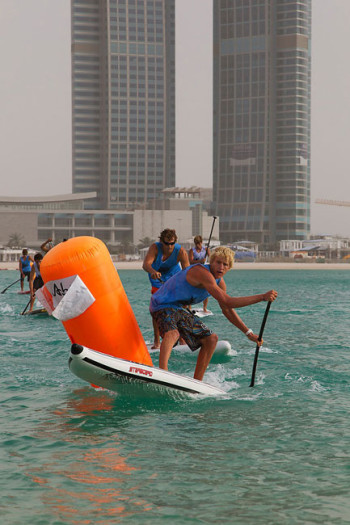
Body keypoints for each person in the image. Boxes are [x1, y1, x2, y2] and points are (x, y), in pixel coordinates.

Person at [150, 246, 278, 381]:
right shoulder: (201, 272)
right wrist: (262, 297)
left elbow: (227, 309)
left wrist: (248, 333)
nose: (221, 267)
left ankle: (197, 382)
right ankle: (162, 372)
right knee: (173, 333)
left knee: (211, 339)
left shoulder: (220, 283)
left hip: (179, 308)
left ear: (229, 268)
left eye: (225, 264)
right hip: (161, 304)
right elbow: (228, 301)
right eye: (218, 262)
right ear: (211, 262)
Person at [142, 228, 190, 349]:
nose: (169, 246)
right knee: (156, 306)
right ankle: (157, 341)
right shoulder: (154, 248)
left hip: (174, 276)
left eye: (172, 243)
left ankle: (183, 339)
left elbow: (188, 272)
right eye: (167, 244)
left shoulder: (181, 252)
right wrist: (153, 271)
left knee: (181, 305)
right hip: (156, 276)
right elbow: (146, 264)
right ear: (161, 242)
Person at [188, 235, 211, 313]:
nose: (197, 245)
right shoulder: (192, 250)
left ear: (201, 242)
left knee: (206, 289)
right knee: (191, 289)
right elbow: (190, 261)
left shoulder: (206, 249)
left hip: (203, 271)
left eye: (199, 243)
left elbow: (211, 258)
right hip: (194, 271)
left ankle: (205, 308)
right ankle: (189, 307)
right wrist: (200, 261)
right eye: (196, 243)